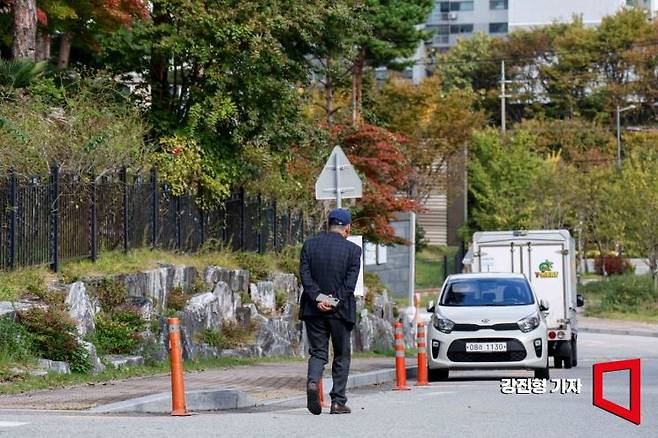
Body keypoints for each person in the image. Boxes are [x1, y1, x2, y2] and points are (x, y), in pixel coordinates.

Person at [299, 208, 362, 415]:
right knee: (342, 355)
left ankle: (311, 384)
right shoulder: (353, 251)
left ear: (328, 225)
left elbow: (305, 277)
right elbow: (349, 285)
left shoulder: (309, 245)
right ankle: (338, 402)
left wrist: (319, 298)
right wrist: (332, 301)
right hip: (340, 311)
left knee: (318, 353)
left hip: (313, 308)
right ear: (347, 228)